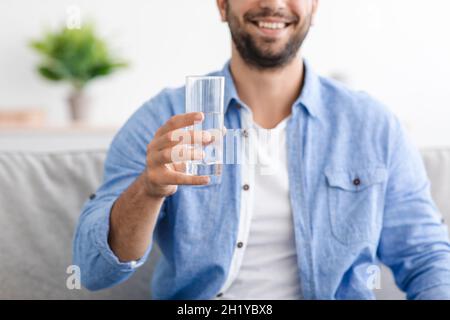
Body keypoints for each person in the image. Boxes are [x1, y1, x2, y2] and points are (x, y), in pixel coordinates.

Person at [73, 0, 450, 299]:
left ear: (314, 6)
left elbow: (427, 258)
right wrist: (149, 189)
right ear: (222, 5)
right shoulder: (165, 118)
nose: (272, 3)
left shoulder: (372, 126)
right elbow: (93, 270)